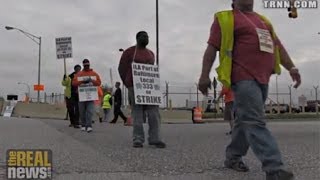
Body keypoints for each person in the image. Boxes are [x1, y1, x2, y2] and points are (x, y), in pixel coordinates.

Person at [198, 0, 301, 180]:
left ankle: (232, 156)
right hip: (242, 76)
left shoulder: (264, 21)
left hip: (263, 77)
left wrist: (292, 68)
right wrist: (204, 76)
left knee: (243, 121)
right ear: (233, 2)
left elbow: (278, 47)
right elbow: (211, 49)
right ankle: (274, 167)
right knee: (254, 120)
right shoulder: (225, 18)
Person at [118, 31, 166, 148]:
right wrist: (128, 82)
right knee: (137, 113)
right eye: (144, 36)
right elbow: (121, 68)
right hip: (135, 87)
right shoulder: (129, 52)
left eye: (147, 36)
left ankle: (155, 138)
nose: (146, 38)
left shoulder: (151, 54)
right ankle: (138, 139)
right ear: (137, 38)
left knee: (154, 113)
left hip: (150, 89)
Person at [73, 59, 102, 133]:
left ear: (89, 65)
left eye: (87, 65)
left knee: (89, 111)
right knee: (82, 111)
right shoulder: (79, 74)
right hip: (82, 96)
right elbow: (74, 83)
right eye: (85, 65)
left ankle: (89, 126)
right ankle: (83, 125)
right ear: (83, 65)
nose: (86, 66)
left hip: (91, 96)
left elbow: (99, 83)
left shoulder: (94, 73)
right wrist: (82, 81)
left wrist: (91, 80)